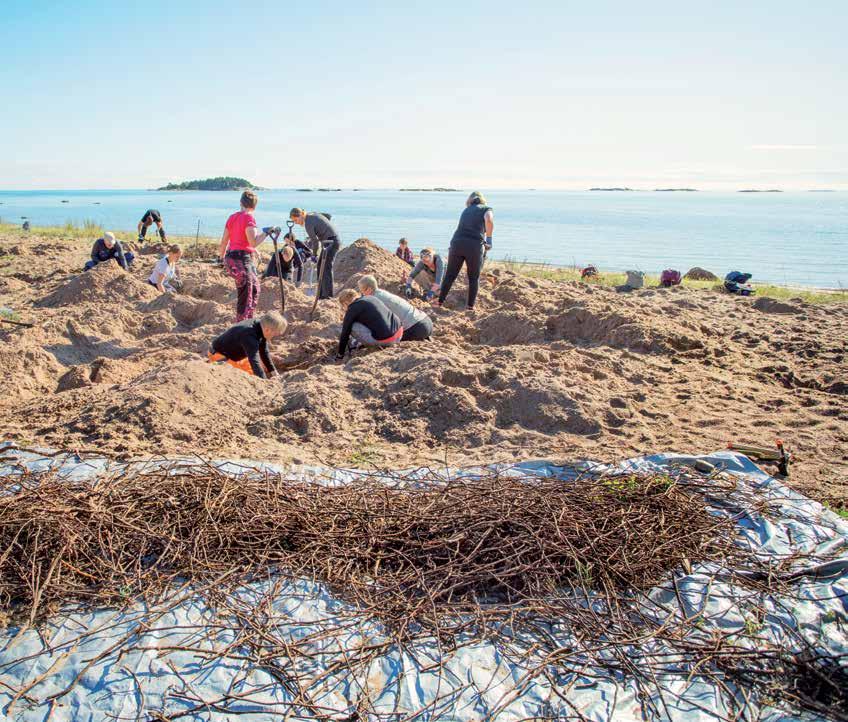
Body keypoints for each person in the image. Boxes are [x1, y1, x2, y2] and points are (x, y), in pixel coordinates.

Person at [219, 191, 273, 321]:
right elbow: (253, 242)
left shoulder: (232, 217)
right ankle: (242, 325)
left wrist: (222, 258)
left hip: (231, 258)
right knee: (248, 293)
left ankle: (247, 320)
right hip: (242, 260)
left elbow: (224, 241)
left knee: (253, 289)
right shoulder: (249, 218)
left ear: (241, 203)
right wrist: (266, 233)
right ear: (254, 206)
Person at [436, 191, 494, 310]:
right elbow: (489, 219)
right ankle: (470, 307)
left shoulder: (466, 210)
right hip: (473, 245)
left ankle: (439, 302)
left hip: (457, 243)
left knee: (450, 275)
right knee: (473, 277)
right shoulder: (486, 208)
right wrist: (489, 239)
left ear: (470, 200)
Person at [207, 311, 287, 378]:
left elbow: (264, 351)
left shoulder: (260, 324)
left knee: (257, 371)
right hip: (220, 356)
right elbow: (254, 361)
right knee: (247, 378)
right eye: (275, 334)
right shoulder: (249, 336)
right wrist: (264, 382)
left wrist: (274, 372)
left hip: (237, 355)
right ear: (267, 330)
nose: (274, 337)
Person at [358, 274, 433, 341]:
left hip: (416, 328)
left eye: (362, 291)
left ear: (369, 289)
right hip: (426, 321)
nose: (362, 294)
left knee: (382, 340)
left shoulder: (374, 300)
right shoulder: (382, 293)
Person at [336, 288, 402, 360]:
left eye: (343, 307)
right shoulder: (370, 297)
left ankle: (355, 345)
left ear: (345, 303)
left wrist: (340, 354)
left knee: (352, 326)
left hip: (387, 340)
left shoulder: (352, 308)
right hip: (399, 332)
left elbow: (345, 333)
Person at [289, 208, 340, 300]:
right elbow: (327, 216)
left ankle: (328, 296)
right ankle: (321, 295)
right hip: (329, 241)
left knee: (326, 268)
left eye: (295, 220)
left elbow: (315, 242)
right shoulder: (311, 215)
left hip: (331, 242)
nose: (296, 223)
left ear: (300, 215)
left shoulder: (308, 223)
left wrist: (314, 255)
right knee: (321, 266)